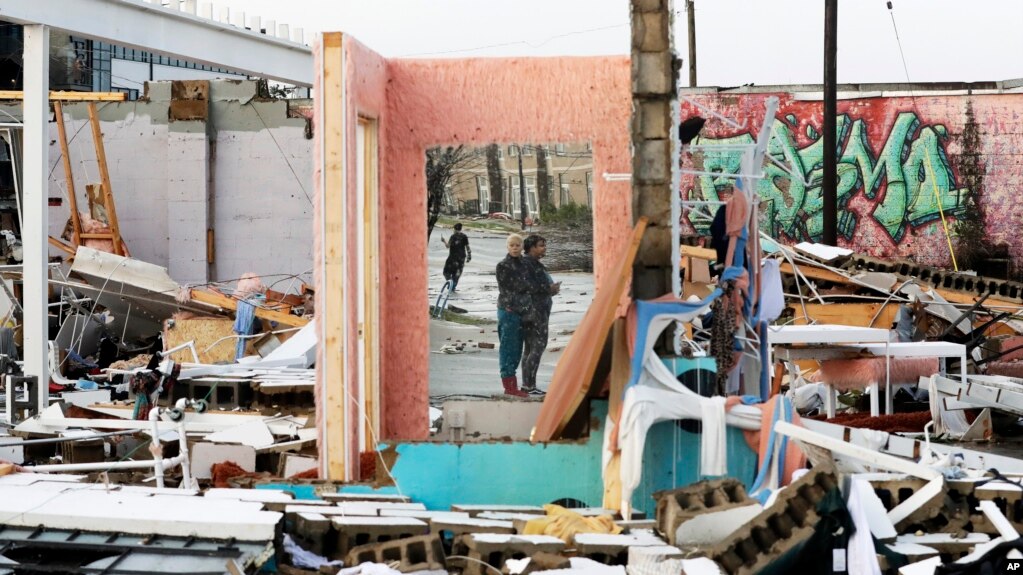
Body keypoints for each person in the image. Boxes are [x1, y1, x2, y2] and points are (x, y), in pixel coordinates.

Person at [495, 234, 534, 398]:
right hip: (509, 310)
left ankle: (514, 385)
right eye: (512, 245)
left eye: (518, 245)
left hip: (523, 310)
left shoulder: (525, 264)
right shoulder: (503, 265)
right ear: (507, 247)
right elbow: (509, 288)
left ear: (522, 246)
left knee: (518, 348)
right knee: (509, 348)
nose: (515, 247)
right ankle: (509, 386)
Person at [520, 234, 559, 396]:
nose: (544, 248)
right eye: (541, 245)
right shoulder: (529, 265)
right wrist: (549, 289)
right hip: (536, 312)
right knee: (537, 347)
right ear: (531, 248)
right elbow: (531, 287)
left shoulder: (532, 264)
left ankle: (527, 384)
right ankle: (530, 385)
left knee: (529, 348)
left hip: (535, 310)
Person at [441, 223, 471, 291]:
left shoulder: (453, 236)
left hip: (452, 258)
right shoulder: (464, 236)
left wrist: (443, 241)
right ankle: (453, 285)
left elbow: (448, 246)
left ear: (455, 229)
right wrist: (469, 256)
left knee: (446, 272)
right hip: (461, 258)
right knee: (457, 273)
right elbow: (467, 247)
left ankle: (450, 283)